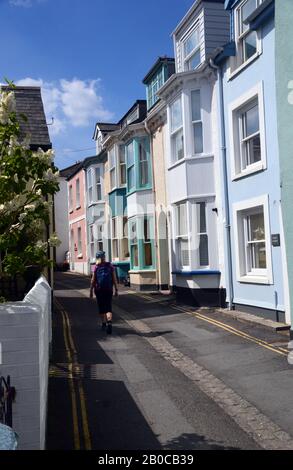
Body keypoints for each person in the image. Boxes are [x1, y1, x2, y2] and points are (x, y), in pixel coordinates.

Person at [90, 251, 118, 334]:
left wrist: (91, 290)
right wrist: (116, 289)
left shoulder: (96, 267)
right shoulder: (110, 266)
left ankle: (103, 323)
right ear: (104, 257)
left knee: (101, 307)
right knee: (108, 307)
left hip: (99, 290)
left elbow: (93, 280)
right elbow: (114, 279)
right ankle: (109, 323)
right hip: (108, 290)